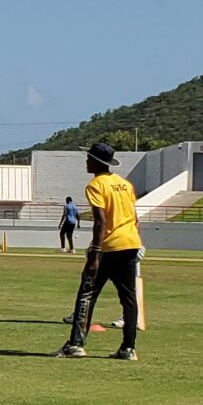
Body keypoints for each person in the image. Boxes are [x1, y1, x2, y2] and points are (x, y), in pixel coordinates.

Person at [59, 141, 143, 360]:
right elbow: (134, 217)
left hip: (109, 246)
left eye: (89, 159)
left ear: (97, 162)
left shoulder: (96, 185)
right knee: (129, 298)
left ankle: (76, 344)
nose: (86, 162)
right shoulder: (125, 184)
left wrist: (95, 253)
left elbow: (100, 220)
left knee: (87, 293)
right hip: (130, 243)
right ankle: (128, 348)